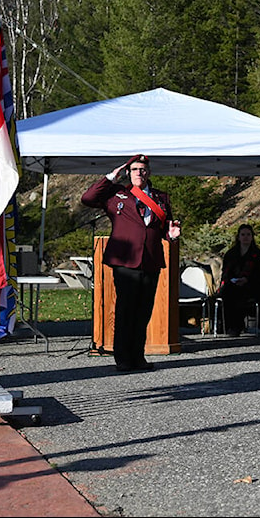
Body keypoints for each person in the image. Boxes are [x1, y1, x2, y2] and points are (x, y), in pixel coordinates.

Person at [81, 154, 181, 372]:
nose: (139, 173)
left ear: (149, 172)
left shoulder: (160, 197)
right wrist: (110, 178)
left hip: (150, 260)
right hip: (125, 261)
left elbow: (164, 227)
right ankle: (123, 359)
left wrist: (171, 235)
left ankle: (138, 357)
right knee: (126, 311)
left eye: (143, 169)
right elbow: (87, 198)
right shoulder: (116, 194)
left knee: (144, 312)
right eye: (134, 169)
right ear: (128, 172)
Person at [219, 223, 260, 336]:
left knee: (256, 293)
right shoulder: (231, 254)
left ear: (252, 237)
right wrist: (233, 280)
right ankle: (233, 327)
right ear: (238, 237)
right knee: (229, 293)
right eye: (243, 234)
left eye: (248, 234)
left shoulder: (258, 254)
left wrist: (246, 280)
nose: (246, 237)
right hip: (234, 284)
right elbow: (226, 272)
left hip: (253, 285)